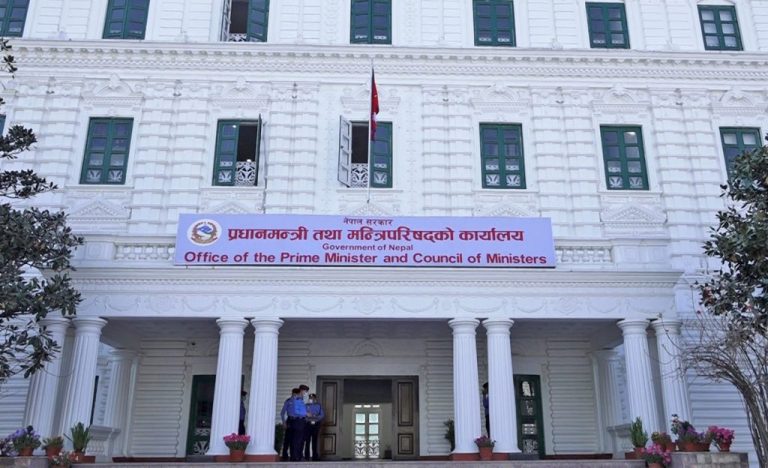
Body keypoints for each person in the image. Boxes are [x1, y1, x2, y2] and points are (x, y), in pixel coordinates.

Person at [287, 387, 308, 461]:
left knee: (297, 440)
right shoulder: (296, 400)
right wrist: (306, 413)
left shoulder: (298, 400)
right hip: (298, 421)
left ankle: (296, 456)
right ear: (299, 392)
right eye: (304, 392)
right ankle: (296, 457)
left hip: (298, 421)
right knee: (297, 440)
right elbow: (296, 411)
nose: (305, 393)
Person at [280, 388, 300, 460]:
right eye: (296, 394)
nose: (297, 395)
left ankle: (293, 456)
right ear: (293, 393)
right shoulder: (288, 401)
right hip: (290, 420)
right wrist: (284, 422)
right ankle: (284, 455)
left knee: (294, 439)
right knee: (287, 439)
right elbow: (282, 413)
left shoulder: (299, 401)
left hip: (297, 421)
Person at [304, 393, 325, 461]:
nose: (311, 399)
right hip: (308, 424)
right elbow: (303, 415)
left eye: (312, 398)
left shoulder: (318, 405)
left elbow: (322, 415)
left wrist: (316, 417)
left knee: (314, 441)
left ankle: (315, 456)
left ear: (315, 399)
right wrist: (307, 417)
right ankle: (306, 456)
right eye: (310, 398)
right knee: (307, 441)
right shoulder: (306, 405)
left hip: (315, 424)